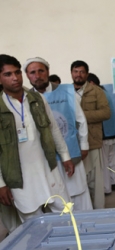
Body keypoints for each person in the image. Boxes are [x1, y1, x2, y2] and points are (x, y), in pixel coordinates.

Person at [0, 54, 74, 226]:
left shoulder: (36, 98)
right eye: (8, 74)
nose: (15, 78)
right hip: (19, 176)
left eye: (17, 72)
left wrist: (65, 156)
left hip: (47, 166)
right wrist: (1, 183)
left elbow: (53, 127)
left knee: (65, 213)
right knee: (33, 224)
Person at [24, 57, 93, 210]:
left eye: (41, 71)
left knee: (78, 192)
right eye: (32, 72)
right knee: (56, 198)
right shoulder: (26, 99)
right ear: (27, 76)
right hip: (45, 156)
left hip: (71, 151)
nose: (37, 75)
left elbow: (81, 120)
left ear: (48, 72)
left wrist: (84, 145)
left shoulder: (67, 91)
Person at [71, 60, 110, 209]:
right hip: (73, 144)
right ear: (71, 73)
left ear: (86, 74)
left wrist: (81, 115)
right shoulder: (66, 92)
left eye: (81, 72)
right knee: (77, 180)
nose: (78, 75)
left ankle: (98, 210)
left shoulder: (96, 91)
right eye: (76, 71)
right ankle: (82, 211)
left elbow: (106, 113)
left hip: (92, 141)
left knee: (96, 181)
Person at [87, 73, 115, 195]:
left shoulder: (97, 94)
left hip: (104, 133)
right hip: (112, 132)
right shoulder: (105, 92)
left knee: (103, 163)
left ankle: (106, 188)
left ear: (92, 83)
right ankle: (113, 182)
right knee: (111, 159)